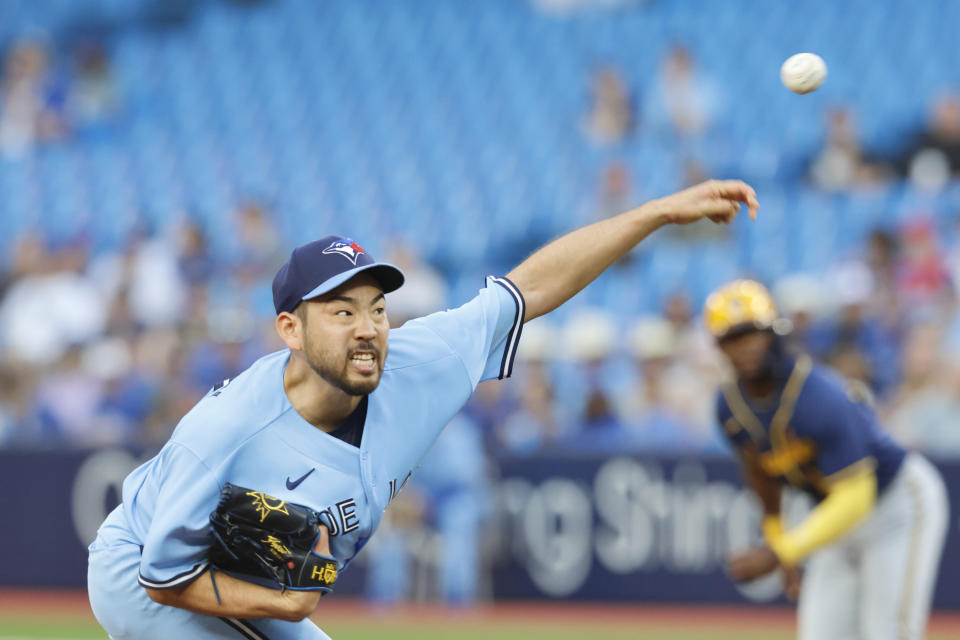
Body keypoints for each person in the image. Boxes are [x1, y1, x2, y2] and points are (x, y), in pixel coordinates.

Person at [86, 180, 758, 639]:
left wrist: (657, 213)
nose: (367, 327)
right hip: (145, 571)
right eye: (341, 311)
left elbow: (527, 289)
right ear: (290, 330)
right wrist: (280, 601)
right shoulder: (228, 427)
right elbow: (165, 575)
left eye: (377, 308)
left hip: (231, 574)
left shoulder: (419, 362)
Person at [704, 280, 949, 640]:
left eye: (754, 333)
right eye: (733, 337)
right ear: (719, 347)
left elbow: (856, 496)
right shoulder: (729, 405)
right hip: (833, 518)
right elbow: (759, 472)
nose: (747, 346)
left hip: (895, 503)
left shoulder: (817, 394)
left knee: (888, 634)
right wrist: (778, 537)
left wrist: (781, 550)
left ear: (774, 333)